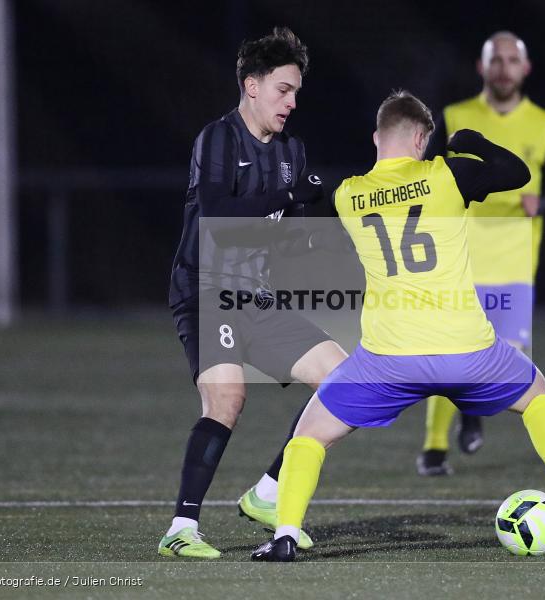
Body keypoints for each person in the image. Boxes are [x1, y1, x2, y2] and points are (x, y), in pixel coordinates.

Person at [250, 91, 545, 562]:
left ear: (376, 138)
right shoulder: (448, 175)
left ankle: (285, 535)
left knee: (309, 434)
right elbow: (517, 174)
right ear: (422, 140)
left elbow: (296, 228)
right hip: (469, 351)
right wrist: (475, 143)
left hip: (389, 359)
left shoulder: (348, 194)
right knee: (538, 395)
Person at [159, 27, 348, 559]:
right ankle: (181, 529)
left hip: (255, 296)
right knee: (227, 398)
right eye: (283, 90)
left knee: (345, 382)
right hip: (205, 289)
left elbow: (292, 234)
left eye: (296, 93)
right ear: (252, 86)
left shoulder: (292, 151)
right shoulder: (218, 139)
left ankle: (268, 494)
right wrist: (290, 195)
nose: (292, 103)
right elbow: (219, 217)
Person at [418, 31, 545, 476]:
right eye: (495, 60)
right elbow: (426, 176)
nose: (504, 68)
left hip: (514, 262)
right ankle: (434, 448)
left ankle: (470, 413)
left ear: (526, 68)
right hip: (458, 258)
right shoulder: (456, 116)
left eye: (511, 60)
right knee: (447, 353)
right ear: (481, 68)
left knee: (503, 357)